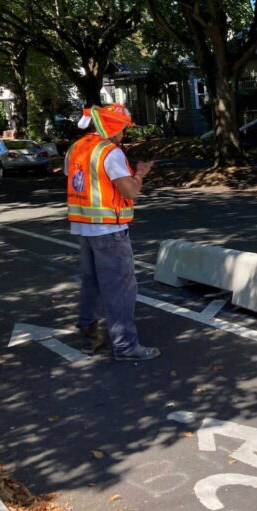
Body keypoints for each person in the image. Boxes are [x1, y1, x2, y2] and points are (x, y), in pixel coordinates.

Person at [65, 104, 159, 361]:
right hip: (109, 229)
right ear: (111, 126)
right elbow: (129, 191)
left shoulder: (76, 148)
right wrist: (140, 174)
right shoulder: (110, 152)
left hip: (83, 227)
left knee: (91, 284)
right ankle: (126, 346)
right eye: (123, 129)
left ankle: (90, 336)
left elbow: (76, 177)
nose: (123, 135)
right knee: (121, 288)